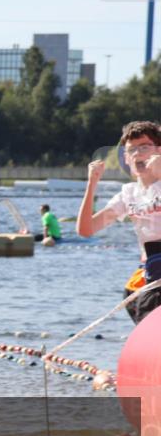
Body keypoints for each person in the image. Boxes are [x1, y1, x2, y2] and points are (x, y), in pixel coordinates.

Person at [77, 120, 161, 324]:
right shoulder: (128, 194)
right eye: (131, 150)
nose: (138, 154)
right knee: (132, 297)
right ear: (126, 158)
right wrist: (92, 184)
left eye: (145, 147)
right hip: (152, 268)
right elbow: (86, 230)